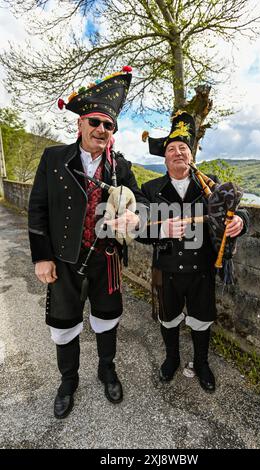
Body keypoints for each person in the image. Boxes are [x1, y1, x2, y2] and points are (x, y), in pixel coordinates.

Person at [28, 67, 149, 418]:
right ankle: (68, 381)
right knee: (64, 324)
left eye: (108, 125)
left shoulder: (120, 166)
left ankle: (107, 369)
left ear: (113, 132)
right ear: (80, 124)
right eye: (95, 122)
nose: (101, 130)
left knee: (107, 318)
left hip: (106, 258)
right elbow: (37, 207)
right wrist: (42, 257)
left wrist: (135, 215)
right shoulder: (54, 159)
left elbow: (141, 201)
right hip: (64, 259)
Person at [140, 111, 249, 393]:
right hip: (166, 269)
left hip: (202, 269)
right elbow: (139, 228)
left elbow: (235, 210)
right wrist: (162, 230)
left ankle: (201, 363)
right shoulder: (151, 189)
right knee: (168, 318)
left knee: (202, 321)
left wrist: (240, 221)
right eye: (171, 149)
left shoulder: (209, 183)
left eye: (183, 149)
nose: (177, 153)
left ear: (192, 155)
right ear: (164, 158)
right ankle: (172, 359)